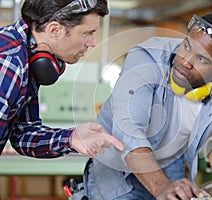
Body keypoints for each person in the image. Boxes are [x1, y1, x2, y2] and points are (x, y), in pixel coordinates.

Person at [81, 13, 212, 199]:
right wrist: (162, 188)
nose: (186, 61)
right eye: (186, 46)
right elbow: (129, 135)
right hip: (115, 168)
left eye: (202, 59)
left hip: (170, 163)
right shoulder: (146, 57)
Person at [0, 0, 124, 159]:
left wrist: (71, 138)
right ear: (54, 30)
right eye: (87, 33)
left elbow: (23, 133)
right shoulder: (9, 61)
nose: (92, 43)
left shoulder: (28, 55)